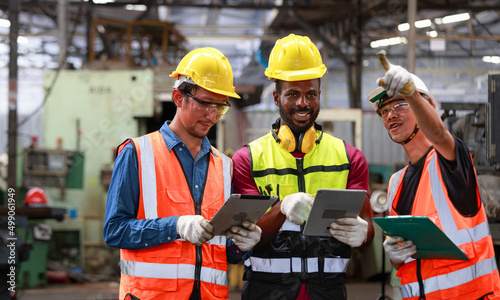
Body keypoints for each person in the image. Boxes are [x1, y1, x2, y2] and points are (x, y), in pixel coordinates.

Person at [103, 47, 262, 300]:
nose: (212, 115)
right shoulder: (137, 153)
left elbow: (220, 251)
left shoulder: (224, 165)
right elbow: (114, 231)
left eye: (220, 106)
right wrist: (175, 226)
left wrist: (243, 245)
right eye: (205, 103)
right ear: (179, 97)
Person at [232, 33, 374, 300]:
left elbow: (367, 229)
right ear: (276, 98)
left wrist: (363, 233)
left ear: (320, 95)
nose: (303, 103)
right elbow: (245, 236)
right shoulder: (247, 159)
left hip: (328, 292)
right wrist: (283, 208)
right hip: (266, 292)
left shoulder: (349, 157)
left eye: (311, 94)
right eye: (293, 94)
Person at [367, 51, 500, 299]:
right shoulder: (396, 183)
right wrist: (395, 257)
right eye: (384, 111)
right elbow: (407, 261)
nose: (390, 115)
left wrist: (411, 94)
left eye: (400, 105)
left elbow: (439, 136)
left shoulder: (450, 162)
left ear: (427, 107)